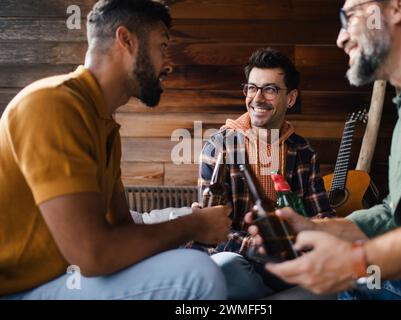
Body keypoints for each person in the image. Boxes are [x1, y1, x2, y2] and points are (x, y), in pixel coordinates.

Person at [0, 0, 232, 300]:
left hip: (57, 280)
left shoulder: (104, 125)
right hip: (16, 291)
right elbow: (93, 254)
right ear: (126, 40)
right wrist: (193, 225)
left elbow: (121, 229)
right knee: (198, 274)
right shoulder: (52, 104)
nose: (168, 64)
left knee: (226, 271)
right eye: (162, 46)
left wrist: (195, 223)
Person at [247, 0, 401, 299]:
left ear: (396, 7)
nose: (340, 38)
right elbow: (395, 214)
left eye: (351, 15)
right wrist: (316, 229)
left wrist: (357, 261)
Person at [196, 48, 334, 299]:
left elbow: (320, 216)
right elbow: (211, 230)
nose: (257, 98)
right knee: (225, 266)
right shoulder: (218, 147)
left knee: (343, 284)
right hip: (241, 258)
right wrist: (261, 247)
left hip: (293, 260)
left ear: (290, 98)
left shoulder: (303, 151)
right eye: (252, 88)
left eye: (270, 89)